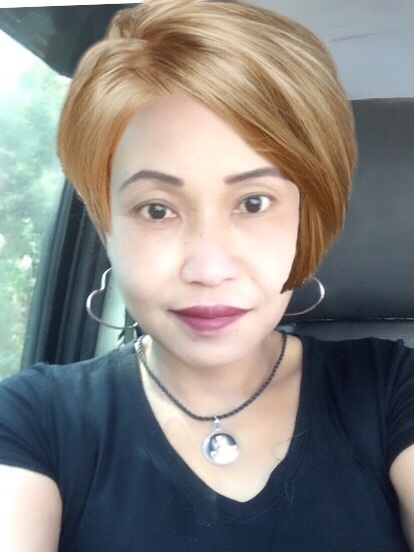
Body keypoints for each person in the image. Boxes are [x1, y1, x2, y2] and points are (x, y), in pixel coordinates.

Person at [0, 0, 413, 550]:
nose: (208, 269)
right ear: (106, 226)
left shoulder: (394, 388)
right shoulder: (32, 420)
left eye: (254, 202)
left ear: (305, 218)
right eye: (156, 210)